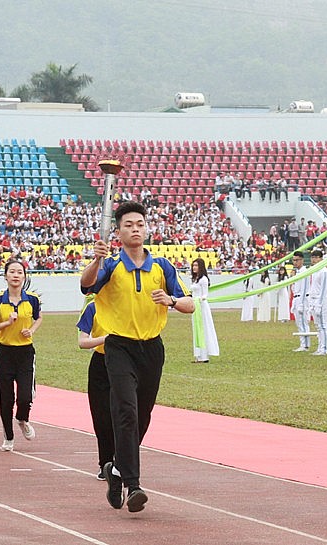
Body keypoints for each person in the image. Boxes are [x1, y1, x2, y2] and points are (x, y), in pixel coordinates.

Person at [80, 200, 194, 514]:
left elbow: (189, 304)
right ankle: (134, 485)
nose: (135, 229)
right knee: (126, 413)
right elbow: (86, 286)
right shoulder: (111, 265)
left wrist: (170, 299)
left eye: (140, 224)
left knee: (142, 417)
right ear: (117, 232)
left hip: (151, 349)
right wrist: (95, 260)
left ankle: (116, 469)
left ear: (146, 229)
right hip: (118, 347)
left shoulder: (162, 267)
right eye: (128, 225)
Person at [0, 260, 43, 452]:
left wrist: (31, 329)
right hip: (5, 353)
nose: (16, 275)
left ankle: (22, 418)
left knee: (26, 396)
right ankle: (8, 436)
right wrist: (6, 323)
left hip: (25, 352)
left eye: (20, 272)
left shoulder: (32, 298)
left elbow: (39, 317)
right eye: (12, 272)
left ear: (24, 276)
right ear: (6, 276)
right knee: (6, 398)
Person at [76, 296, 114, 481]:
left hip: (127, 362)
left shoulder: (128, 303)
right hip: (101, 363)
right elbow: (82, 342)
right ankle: (105, 463)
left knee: (125, 414)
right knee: (101, 415)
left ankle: (122, 461)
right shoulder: (93, 307)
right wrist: (105, 339)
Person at [189, 258, 219, 362]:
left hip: (201, 306)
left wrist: (199, 299)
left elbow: (205, 294)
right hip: (195, 306)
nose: (194, 268)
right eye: (193, 266)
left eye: (196, 266)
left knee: (203, 329)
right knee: (196, 329)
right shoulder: (195, 279)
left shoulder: (204, 279)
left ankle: (204, 356)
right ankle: (198, 355)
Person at [307, 250, 327, 356]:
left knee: (323, 325)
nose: (314, 259)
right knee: (318, 325)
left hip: (321, 300)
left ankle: (324, 348)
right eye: (312, 257)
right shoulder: (314, 271)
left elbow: (324, 289)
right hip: (313, 299)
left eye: (316, 257)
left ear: (321, 258)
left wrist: (319, 304)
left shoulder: (324, 272)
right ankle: (320, 346)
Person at [290, 251, 310, 352]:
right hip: (297, 297)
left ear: (302, 260)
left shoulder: (304, 272)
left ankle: (305, 344)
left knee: (303, 322)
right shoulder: (297, 272)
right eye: (293, 260)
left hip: (303, 298)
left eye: (297, 260)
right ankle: (303, 343)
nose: (295, 262)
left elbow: (304, 288)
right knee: (299, 322)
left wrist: (301, 303)